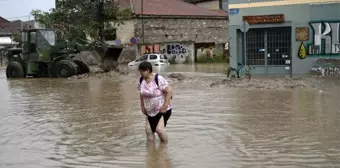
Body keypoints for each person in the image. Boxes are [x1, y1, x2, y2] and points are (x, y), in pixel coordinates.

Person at [137, 61, 172, 142]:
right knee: (149, 131)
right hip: (149, 110)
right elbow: (141, 93)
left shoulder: (158, 78)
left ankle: (164, 148)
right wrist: (142, 106)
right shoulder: (141, 80)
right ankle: (152, 153)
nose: (141, 73)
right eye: (140, 71)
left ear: (148, 70)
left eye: (142, 71)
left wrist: (165, 106)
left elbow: (169, 91)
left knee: (159, 130)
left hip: (161, 110)